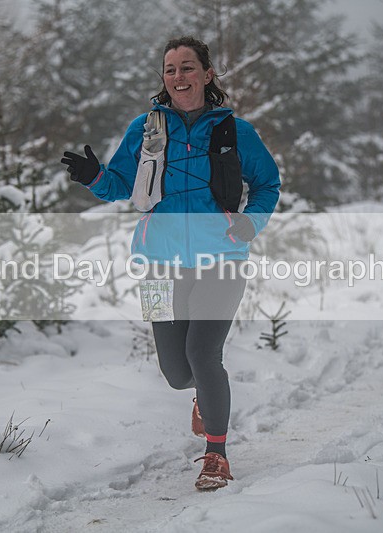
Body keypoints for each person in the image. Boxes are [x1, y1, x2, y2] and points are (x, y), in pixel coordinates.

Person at [61, 36, 280, 490]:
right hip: (158, 264)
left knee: (203, 353)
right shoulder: (146, 128)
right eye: (170, 69)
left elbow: (268, 185)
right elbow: (121, 184)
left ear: (207, 74)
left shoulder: (235, 131)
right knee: (176, 372)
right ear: (163, 78)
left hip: (222, 258)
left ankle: (215, 455)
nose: (178, 76)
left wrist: (250, 224)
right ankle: (202, 394)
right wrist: (95, 177)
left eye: (186, 67)